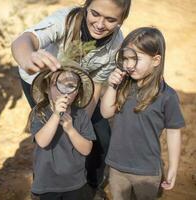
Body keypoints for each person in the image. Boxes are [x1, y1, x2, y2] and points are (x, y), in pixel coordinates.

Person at [11, 0, 132, 196]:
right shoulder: (64, 20)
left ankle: (90, 186)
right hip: (42, 83)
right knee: (50, 134)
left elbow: (98, 83)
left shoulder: (116, 43)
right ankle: (44, 186)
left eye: (110, 19)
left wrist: (80, 121)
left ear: (122, 20)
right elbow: (23, 41)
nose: (100, 25)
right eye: (95, 14)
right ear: (86, 6)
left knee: (101, 136)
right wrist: (28, 59)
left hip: (80, 87)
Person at [100, 27, 185, 200]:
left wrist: (173, 169)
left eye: (136, 59)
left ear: (156, 60)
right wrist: (112, 86)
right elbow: (106, 112)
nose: (129, 65)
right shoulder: (123, 86)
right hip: (116, 168)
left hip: (146, 172)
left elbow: (174, 132)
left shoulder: (167, 96)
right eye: (126, 58)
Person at [28, 56, 96, 200]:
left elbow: (87, 149)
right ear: (47, 88)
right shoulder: (39, 112)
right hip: (47, 184)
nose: (64, 90)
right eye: (58, 84)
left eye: (70, 86)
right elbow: (42, 141)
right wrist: (56, 115)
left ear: (77, 92)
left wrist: (71, 130)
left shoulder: (81, 115)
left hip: (75, 183)